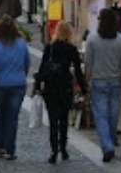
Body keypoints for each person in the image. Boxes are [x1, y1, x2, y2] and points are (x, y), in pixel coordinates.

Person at [34, 22, 87, 164]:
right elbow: (78, 71)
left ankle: (53, 150)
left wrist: (37, 86)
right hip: (65, 87)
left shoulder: (49, 48)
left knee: (53, 120)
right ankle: (63, 148)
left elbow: (42, 68)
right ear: (69, 33)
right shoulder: (71, 49)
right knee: (63, 119)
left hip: (50, 88)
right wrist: (84, 88)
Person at [85, 8, 121, 162]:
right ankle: (109, 142)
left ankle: (107, 145)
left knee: (101, 116)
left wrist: (86, 82)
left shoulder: (92, 39)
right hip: (116, 82)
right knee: (113, 115)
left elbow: (88, 64)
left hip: (98, 82)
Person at [0, 16, 30, 161]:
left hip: (0, 84)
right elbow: (27, 63)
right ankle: (10, 149)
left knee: (1, 115)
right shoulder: (21, 44)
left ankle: (0, 146)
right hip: (18, 84)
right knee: (12, 118)